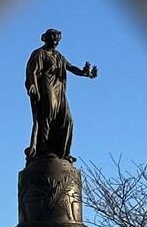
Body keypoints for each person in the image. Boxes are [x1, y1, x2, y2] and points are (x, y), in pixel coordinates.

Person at [25, 29, 97, 160]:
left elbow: (70, 67)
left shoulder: (58, 56)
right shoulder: (39, 53)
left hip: (59, 90)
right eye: (52, 40)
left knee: (68, 120)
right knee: (47, 115)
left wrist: (85, 73)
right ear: (45, 39)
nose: (55, 43)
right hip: (45, 85)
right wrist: (33, 84)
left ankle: (62, 153)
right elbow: (33, 71)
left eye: (57, 40)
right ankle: (43, 150)